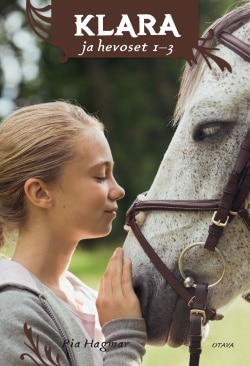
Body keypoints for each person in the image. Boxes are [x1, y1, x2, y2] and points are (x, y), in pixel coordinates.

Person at [0, 101, 146, 365]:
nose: (118, 190)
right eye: (101, 177)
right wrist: (125, 341)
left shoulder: (89, 300)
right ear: (40, 193)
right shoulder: (12, 313)